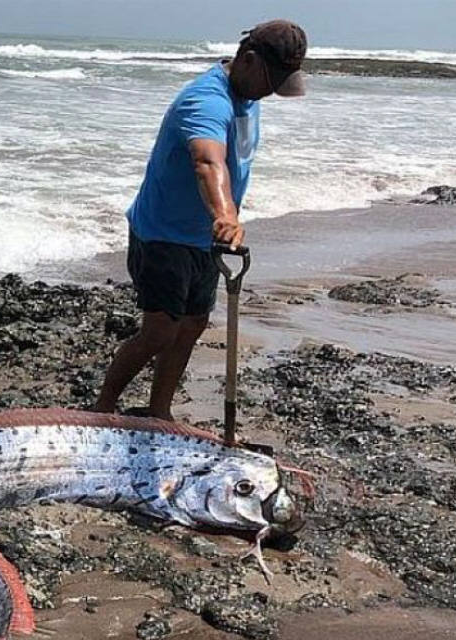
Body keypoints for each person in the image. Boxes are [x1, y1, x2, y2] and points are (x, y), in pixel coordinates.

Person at [92, 19, 307, 421]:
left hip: (204, 237)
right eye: (270, 79)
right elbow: (207, 161)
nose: (271, 92)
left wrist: (224, 221)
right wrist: (225, 214)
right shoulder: (206, 100)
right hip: (163, 233)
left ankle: (159, 412)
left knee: (191, 324)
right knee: (159, 330)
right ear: (248, 59)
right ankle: (102, 407)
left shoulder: (249, 95)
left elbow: (233, 161)